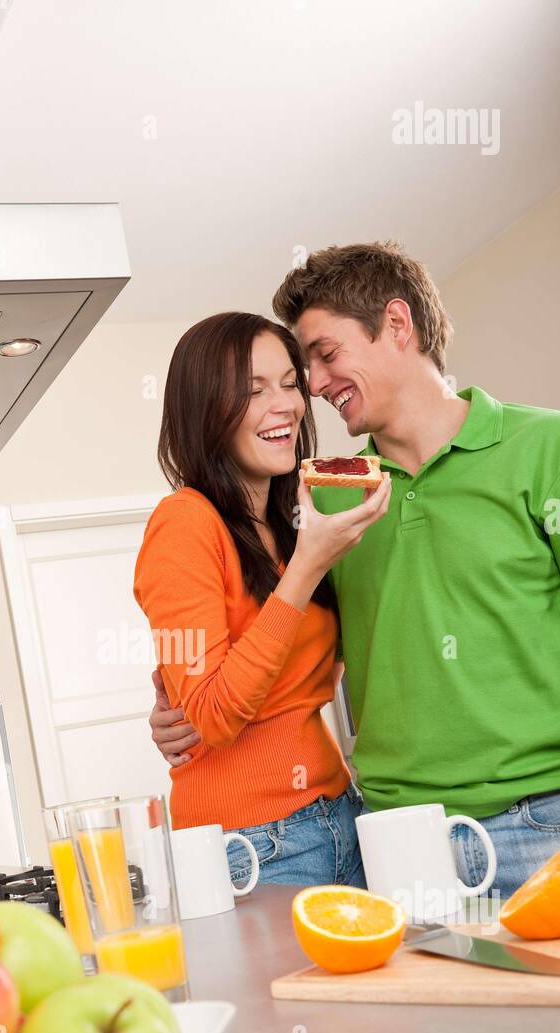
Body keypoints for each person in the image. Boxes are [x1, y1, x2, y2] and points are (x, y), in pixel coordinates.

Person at [150, 242, 560, 899]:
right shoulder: (320, 499)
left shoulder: (550, 446)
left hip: (547, 820)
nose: (314, 388)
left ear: (398, 325)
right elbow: (285, 650)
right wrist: (178, 696)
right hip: (391, 838)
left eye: (323, 357)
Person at [134, 311, 389, 887]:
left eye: (289, 382)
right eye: (252, 392)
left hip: (339, 815)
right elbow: (216, 715)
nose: (287, 405)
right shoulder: (185, 523)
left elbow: (297, 675)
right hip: (252, 845)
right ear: (206, 413)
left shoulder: (296, 516)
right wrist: (306, 569)